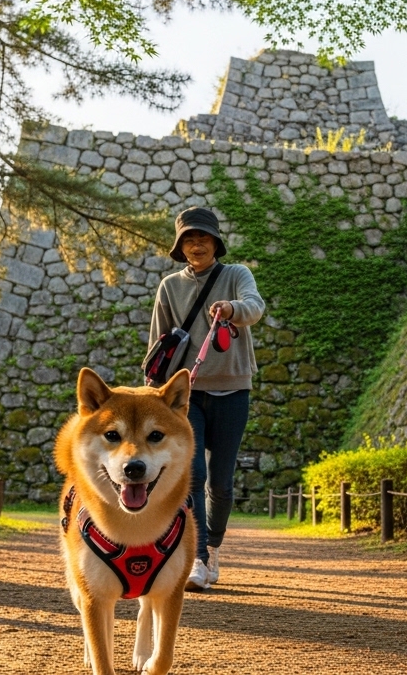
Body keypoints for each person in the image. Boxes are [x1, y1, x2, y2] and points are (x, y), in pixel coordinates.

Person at [147, 206, 264, 590]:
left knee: (221, 483)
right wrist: (153, 392)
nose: (197, 245)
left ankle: (213, 547)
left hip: (233, 388)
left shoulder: (236, 275)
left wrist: (232, 308)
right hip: (187, 395)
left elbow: (255, 307)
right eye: (189, 239)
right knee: (192, 475)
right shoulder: (170, 286)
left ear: (216, 242)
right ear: (180, 247)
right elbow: (158, 343)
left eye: (203, 238)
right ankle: (196, 558)